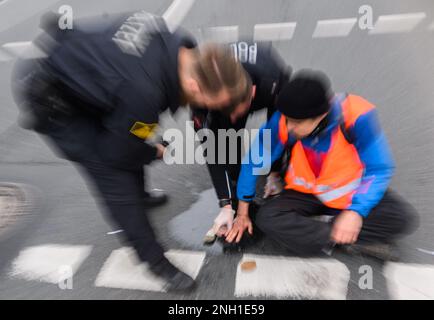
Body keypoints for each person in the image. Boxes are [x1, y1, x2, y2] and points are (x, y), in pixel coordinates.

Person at [11, 10, 250, 292]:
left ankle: (142, 195)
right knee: (114, 175)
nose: (212, 110)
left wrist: (143, 143)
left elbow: (130, 121)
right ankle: (154, 262)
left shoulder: (173, 43)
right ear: (195, 85)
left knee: (129, 136)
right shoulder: (143, 94)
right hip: (52, 100)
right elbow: (118, 154)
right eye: (212, 103)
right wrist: (153, 152)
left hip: (85, 79)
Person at [228, 70, 419, 260]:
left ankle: (328, 232)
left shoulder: (356, 116)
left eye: (297, 123)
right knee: (266, 218)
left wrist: (355, 212)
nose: (289, 127)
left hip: (350, 194)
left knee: (401, 218)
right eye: (287, 120)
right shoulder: (285, 119)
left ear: (321, 115)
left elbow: (379, 168)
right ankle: (345, 236)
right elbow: (254, 160)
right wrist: (242, 212)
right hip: (305, 192)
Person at [192, 40, 291, 240]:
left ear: (252, 93)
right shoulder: (200, 101)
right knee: (228, 146)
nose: (237, 118)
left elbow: (278, 129)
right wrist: (226, 204)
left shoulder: (270, 80)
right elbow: (212, 151)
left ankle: (275, 172)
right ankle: (237, 182)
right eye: (230, 113)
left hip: (269, 86)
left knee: (282, 134)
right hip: (225, 102)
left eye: (239, 112)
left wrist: (275, 171)